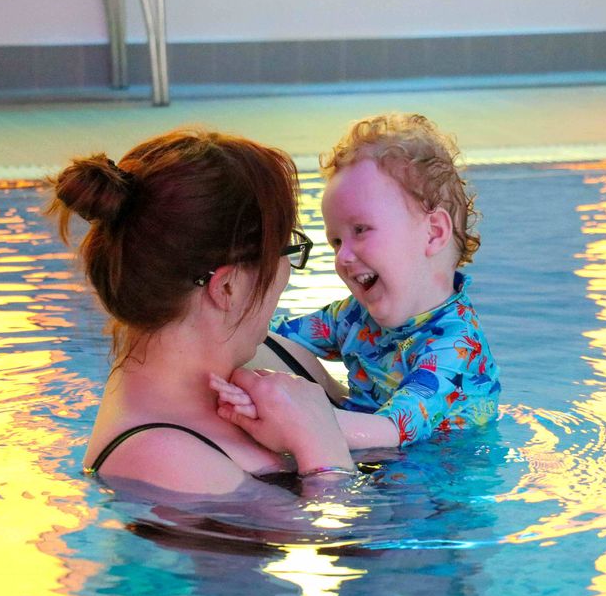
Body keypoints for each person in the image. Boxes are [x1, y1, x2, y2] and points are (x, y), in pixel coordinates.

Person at [47, 128, 356, 496]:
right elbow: (343, 542)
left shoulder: (276, 353)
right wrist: (322, 450)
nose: (288, 272)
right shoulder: (155, 459)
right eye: (285, 247)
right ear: (227, 286)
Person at [213, 113, 500, 449]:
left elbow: (392, 429)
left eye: (360, 230)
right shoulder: (353, 316)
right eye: (336, 241)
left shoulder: (456, 347)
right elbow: (271, 337)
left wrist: (290, 415)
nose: (343, 256)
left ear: (433, 232)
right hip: (380, 467)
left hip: (439, 486)